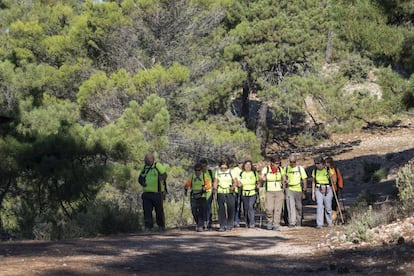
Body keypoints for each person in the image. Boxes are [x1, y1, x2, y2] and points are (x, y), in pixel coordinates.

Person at [138, 153, 167, 232]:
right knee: (147, 211)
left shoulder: (157, 166)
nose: (148, 160)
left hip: (157, 193)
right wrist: (142, 182)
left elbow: (164, 175)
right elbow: (140, 178)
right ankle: (148, 227)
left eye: (149, 159)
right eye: (146, 159)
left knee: (159, 210)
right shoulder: (144, 168)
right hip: (147, 193)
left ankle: (161, 226)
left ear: (153, 159)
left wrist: (159, 179)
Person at [260, 155, 286, 231]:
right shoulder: (266, 169)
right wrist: (262, 179)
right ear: (272, 163)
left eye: (278, 163)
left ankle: (276, 224)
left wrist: (284, 182)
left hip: (279, 191)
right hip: (269, 191)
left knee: (278, 209)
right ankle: (269, 221)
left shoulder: (280, 170)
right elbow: (261, 177)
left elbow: (284, 178)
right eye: (275, 163)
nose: (277, 165)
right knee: (269, 208)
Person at [185, 163, 211, 232]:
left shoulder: (204, 176)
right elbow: (188, 183)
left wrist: (205, 188)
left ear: (201, 170)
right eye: (196, 170)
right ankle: (198, 223)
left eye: (199, 170)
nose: (197, 171)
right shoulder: (192, 176)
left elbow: (208, 185)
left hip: (202, 196)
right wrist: (186, 187)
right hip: (194, 195)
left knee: (201, 211)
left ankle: (200, 225)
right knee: (194, 210)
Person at [311, 156, 336, 229]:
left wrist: (331, 176)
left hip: (327, 189)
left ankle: (330, 222)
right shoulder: (314, 171)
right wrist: (313, 193)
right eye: (316, 164)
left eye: (318, 163)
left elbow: (334, 181)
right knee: (319, 206)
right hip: (318, 189)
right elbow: (313, 182)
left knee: (328, 207)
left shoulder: (328, 169)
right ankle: (319, 224)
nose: (317, 165)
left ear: (322, 163)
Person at [285, 154, 307, 227]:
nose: (292, 163)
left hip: (298, 189)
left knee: (299, 206)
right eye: (290, 162)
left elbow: (304, 179)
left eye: (293, 162)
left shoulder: (300, 169)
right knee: (290, 206)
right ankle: (292, 222)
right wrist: (285, 182)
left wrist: (304, 190)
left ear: (296, 161)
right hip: (289, 189)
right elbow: (283, 178)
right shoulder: (286, 169)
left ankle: (299, 220)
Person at [213, 160, 235, 232]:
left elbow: (234, 181)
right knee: (221, 209)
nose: (223, 169)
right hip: (220, 192)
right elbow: (216, 181)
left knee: (230, 208)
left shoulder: (231, 172)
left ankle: (230, 224)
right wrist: (214, 188)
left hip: (229, 191)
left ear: (227, 167)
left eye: (225, 168)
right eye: (222, 168)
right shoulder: (217, 172)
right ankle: (222, 225)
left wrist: (233, 187)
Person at [238, 160, 260, 228]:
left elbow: (258, 181)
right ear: (244, 166)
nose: (248, 166)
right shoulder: (241, 173)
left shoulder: (254, 173)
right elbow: (239, 182)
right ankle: (247, 221)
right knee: (246, 208)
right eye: (246, 165)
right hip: (244, 193)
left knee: (251, 206)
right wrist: (239, 184)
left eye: (249, 165)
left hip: (252, 192)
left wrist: (258, 185)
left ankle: (252, 222)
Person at [325, 156, 344, 224]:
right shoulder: (325, 170)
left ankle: (334, 218)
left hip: (335, 189)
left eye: (327, 163)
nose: (326, 164)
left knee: (334, 203)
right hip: (327, 189)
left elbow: (339, 177)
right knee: (327, 204)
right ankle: (329, 218)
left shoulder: (335, 169)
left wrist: (340, 186)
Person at [200, 159, 214, 230]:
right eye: (202, 166)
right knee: (201, 208)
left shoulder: (210, 172)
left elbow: (215, 180)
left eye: (205, 166)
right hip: (200, 194)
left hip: (209, 193)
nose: (203, 167)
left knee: (208, 208)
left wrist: (214, 187)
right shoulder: (198, 173)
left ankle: (208, 222)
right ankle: (202, 222)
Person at [232, 159, 244, 227]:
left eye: (242, 163)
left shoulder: (246, 169)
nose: (241, 164)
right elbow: (234, 178)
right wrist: (237, 183)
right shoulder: (234, 170)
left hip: (245, 189)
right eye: (239, 163)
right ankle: (236, 221)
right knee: (237, 205)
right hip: (237, 190)